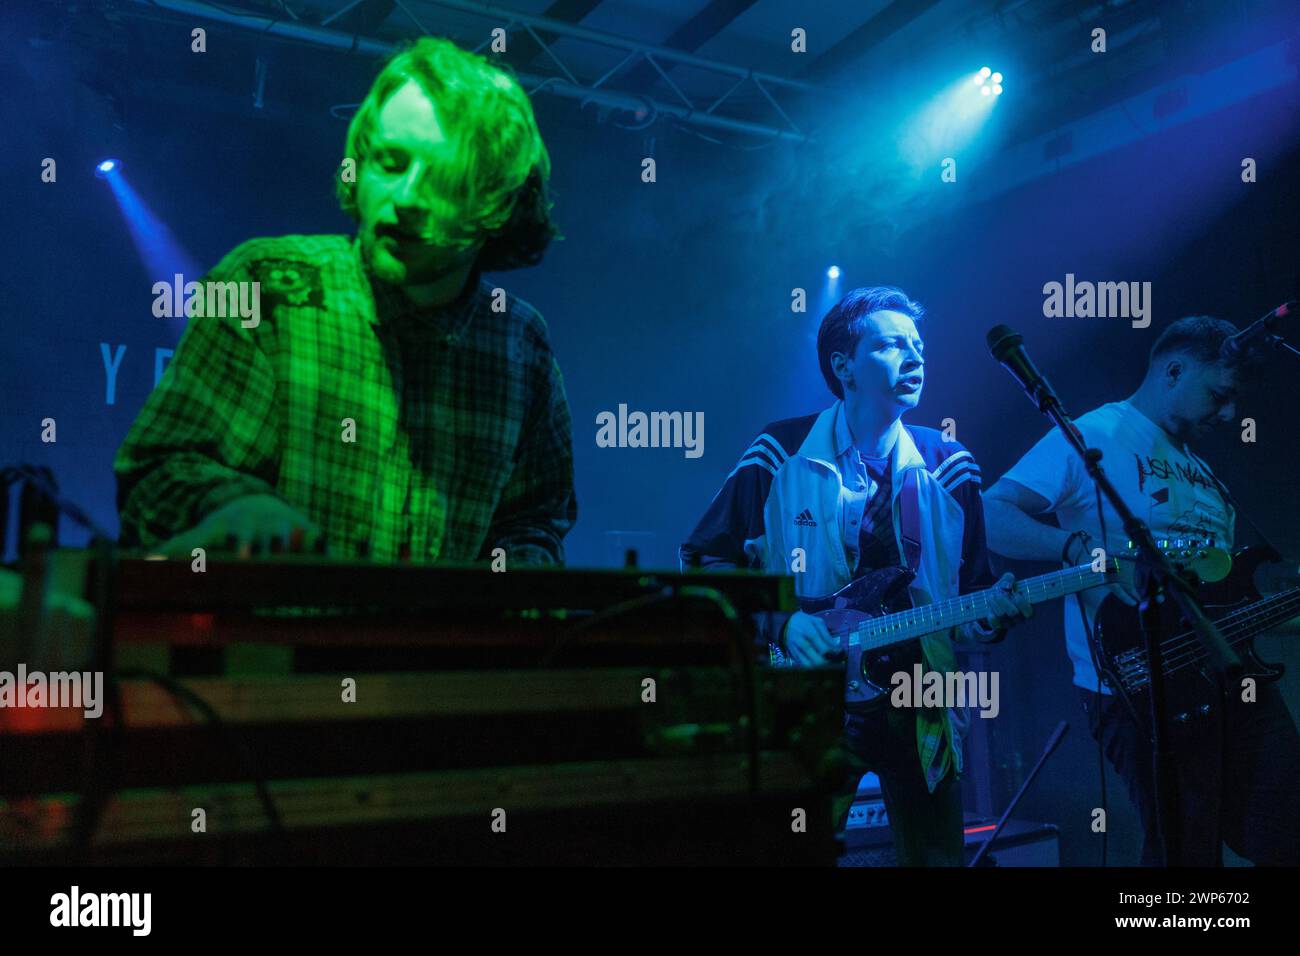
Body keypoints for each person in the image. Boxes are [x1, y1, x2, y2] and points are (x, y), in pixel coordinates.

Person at [115, 38, 576, 565]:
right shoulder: (269, 287)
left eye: (446, 179)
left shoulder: (521, 343)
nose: (405, 199)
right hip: (267, 645)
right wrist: (238, 511)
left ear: (499, 204)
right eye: (390, 162)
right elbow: (161, 473)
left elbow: (533, 521)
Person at [681, 286, 1030, 865]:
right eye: (893, 346)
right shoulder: (780, 450)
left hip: (922, 699)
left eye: (919, 346)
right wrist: (782, 622)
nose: (916, 359)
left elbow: (970, 602)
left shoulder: (952, 465)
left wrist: (992, 617)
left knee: (937, 860)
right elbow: (702, 559)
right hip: (808, 695)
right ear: (843, 365)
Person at [984, 315, 1300, 865]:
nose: (1228, 415)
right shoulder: (1098, 433)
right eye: (1219, 395)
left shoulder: (1207, 475)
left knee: (1286, 830)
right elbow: (991, 513)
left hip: (1229, 678)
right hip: (1138, 684)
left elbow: (1231, 602)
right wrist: (1074, 547)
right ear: (1174, 371)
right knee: (1186, 857)